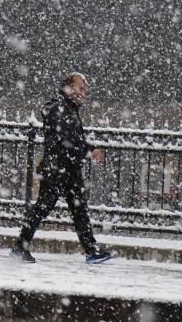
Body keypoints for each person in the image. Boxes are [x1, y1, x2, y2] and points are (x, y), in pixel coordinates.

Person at [10, 72, 116, 264]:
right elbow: (67, 138)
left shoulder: (69, 107)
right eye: (80, 88)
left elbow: (73, 138)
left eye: (84, 89)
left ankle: (92, 251)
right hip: (56, 167)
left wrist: (86, 149)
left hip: (69, 168)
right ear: (68, 87)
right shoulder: (58, 107)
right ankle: (20, 246)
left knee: (79, 209)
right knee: (44, 206)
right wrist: (90, 149)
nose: (83, 92)